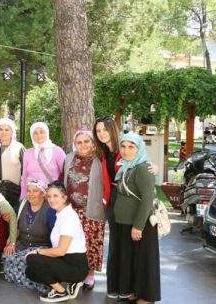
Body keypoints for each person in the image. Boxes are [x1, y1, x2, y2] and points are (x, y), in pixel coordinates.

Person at [107, 134, 161, 304]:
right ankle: (137, 291)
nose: (126, 150)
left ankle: (146, 296)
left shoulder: (143, 168)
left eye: (131, 147)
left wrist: (138, 226)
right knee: (134, 260)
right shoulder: (128, 166)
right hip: (125, 222)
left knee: (144, 261)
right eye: (123, 146)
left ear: (139, 149)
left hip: (140, 224)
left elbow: (147, 199)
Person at [25, 181, 88, 302]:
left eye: (55, 196)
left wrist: (37, 252)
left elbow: (60, 251)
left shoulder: (69, 218)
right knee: (30, 271)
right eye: (49, 196)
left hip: (76, 266)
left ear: (64, 197)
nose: (51, 200)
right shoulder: (60, 214)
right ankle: (70, 283)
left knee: (32, 259)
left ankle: (61, 292)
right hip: (65, 261)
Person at [63, 129, 107, 291]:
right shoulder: (68, 158)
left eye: (86, 141)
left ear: (93, 142)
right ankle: (74, 274)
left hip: (92, 209)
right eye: (79, 142)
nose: (83, 145)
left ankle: (90, 275)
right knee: (71, 243)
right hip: (71, 211)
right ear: (74, 144)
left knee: (92, 243)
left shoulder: (100, 159)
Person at [3, 180, 57, 294]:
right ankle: (33, 282)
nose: (31, 194)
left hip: (42, 246)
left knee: (20, 261)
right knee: (7, 258)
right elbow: (13, 222)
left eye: (35, 191)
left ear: (43, 194)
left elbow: (56, 233)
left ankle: (42, 285)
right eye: (28, 191)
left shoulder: (50, 210)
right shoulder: (22, 204)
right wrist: (11, 243)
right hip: (23, 244)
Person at [21, 122, 66, 199]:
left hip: (51, 196)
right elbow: (24, 177)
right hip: (32, 197)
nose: (39, 135)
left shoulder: (57, 151)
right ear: (32, 135)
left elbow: (65, 174)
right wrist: (23, 197)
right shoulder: (27, 153)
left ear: (47, 133)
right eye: (35, 133)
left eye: (42, 132)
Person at [0, 117, 25, 207]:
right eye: (1, 129)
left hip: (12, 191)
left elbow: (26, 169)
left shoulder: (19, 147)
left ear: (12, 132)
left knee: (10, 217)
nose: (3, 132)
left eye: (7, 130)